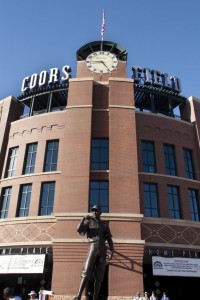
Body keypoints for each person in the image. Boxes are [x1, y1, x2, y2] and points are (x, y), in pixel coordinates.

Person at [74, 204, 114, 300]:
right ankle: (79, 296)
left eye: (96, 211)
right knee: (86, 272)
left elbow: (109, 239)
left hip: (102, 249)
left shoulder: (105, 225)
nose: (94, 212)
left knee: (99, 276)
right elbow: (79, 230)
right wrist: (83, 219)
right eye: (93, 211)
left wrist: (112, 252)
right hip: (93, 247)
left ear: (100, 212)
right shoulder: (89, 222)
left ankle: (95, 296)